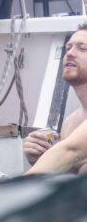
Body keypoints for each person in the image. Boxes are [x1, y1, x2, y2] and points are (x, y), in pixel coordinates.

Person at [27, 24, 87, 174]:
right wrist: (39, 156)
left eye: (82, 48)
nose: (70, 54)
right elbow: (69, 176)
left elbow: (70, 151)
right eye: (68, 48)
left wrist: (10, 194)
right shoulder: (71, 122)